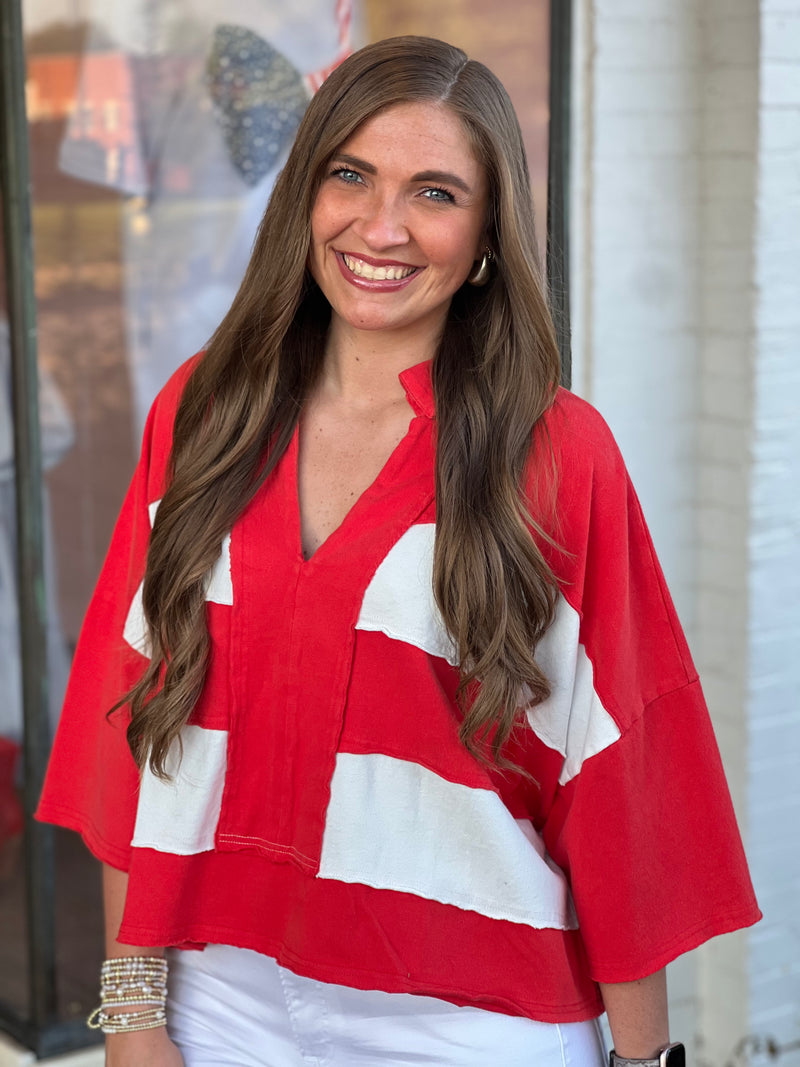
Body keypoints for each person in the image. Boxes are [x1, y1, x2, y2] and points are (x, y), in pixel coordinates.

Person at [37, 35, 760, 1067]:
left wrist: (640, 1060)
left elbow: (615, 769)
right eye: (350, 176)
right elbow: (137, 712)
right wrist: (132, 1009)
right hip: (218, 1003)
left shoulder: (553, 453)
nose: (380, 227)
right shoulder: (203, 414)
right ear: (304, 194)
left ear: (484, 233)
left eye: (433, 192)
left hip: (475, 1016)